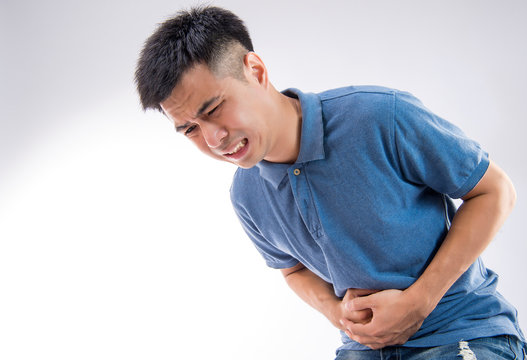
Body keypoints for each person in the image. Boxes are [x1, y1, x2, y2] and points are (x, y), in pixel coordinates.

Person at [135, 6, 527, 359]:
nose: (213, 139)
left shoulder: (379, 116)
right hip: (364, 348)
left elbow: (495, 191)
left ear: (254, 71)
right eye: (190, 129)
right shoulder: (245, 194)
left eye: (215, 108)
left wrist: (420, 300)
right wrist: (335, 311)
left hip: (462, 332)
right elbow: (291, 269)